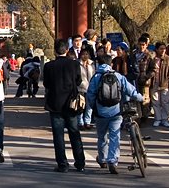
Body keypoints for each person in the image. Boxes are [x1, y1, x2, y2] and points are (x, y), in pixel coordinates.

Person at [86, 54, 143, 174]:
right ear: (111, 64)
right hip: (116, 112)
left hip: (100, 113)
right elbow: (130, 90)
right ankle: (112, 160)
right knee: (115, 136)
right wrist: (140, 98)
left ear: (99, 64)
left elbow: (90, 95)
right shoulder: (118, 76)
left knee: (102, 137)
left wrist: (93, 108)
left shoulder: (96, 77)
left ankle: (102, 159)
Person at [43, 39, 86, 173]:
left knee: (58, 135)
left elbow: (46, 84)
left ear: (55, 51)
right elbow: (79, 81)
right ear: (67, 50)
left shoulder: (49, 66)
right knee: (74, 132)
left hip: (55, 104)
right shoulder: (74, 64)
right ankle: (80, 163)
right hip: (71, 103)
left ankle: (62, 164)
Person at [150, 42, 169, 128]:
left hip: (164, 83)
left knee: (165, 102)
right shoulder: (152, 59)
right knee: (155, 102)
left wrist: (168, 79)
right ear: (157, 49)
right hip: (154, 83)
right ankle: (157, 119)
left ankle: (165, 119)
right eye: (161, 48)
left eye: (164, 48)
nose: (163, 50)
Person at [78, 49, 96, 129]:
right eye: (83, 54)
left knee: (89, 107)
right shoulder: (78, 64)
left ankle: (87, 122)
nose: (85, 56)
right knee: (81, 106)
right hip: (81, 88)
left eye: (86, 54)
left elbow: (94, 74)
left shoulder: (91, 64)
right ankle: (80, 122)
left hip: (90, 88)